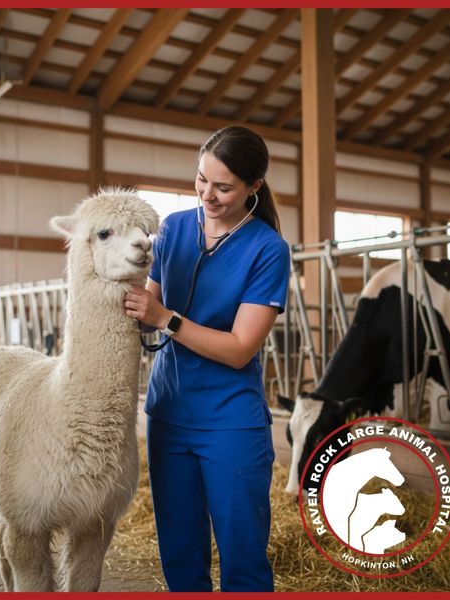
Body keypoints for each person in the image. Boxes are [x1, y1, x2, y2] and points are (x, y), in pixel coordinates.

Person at [123, 125, 290, 592]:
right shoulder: (174, 228)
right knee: (179, 553)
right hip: (169, 415)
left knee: (242, 556)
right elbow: (144, 313)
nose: (207, 194)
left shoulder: (267, 249)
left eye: (223, 187)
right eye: (201, 180)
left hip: (230, 422)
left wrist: (166, 318)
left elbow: (239, 349)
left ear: (253, 187)